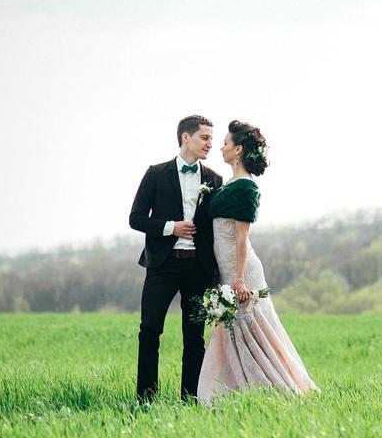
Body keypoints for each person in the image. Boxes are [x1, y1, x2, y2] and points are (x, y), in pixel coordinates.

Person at [197, 120, 318, 405]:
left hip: (242, 271)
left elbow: (241, 239)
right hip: (226, 270)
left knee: (253, 327)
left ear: (238, 149)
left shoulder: (245, 188)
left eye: (225, 143)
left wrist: (238, 278)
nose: (221, 147)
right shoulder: (228, 185)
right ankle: (232, 389)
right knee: (231, 329)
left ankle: (274, 386)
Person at [129, 115, 223, 402]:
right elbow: (135, 219)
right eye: (205, 137)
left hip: (198, 268)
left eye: (211, 138)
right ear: (186, 137)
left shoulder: (214, 179)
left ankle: (190, 399)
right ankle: (146, 398)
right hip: (162, 266)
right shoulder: (156, 174)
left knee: (194, 337)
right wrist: (172, 227)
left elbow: (216, 230)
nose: (211, 143)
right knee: (150, 331)